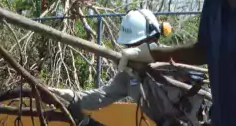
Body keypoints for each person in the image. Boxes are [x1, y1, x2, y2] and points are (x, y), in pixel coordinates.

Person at [50, 9, 206, 126]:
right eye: (130, 45)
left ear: (154, 39)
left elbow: (202, 91)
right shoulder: (128, 76)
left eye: (139, 44)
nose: (134, 50)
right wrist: (71, 96)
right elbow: (100, 97)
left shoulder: (175, 62)